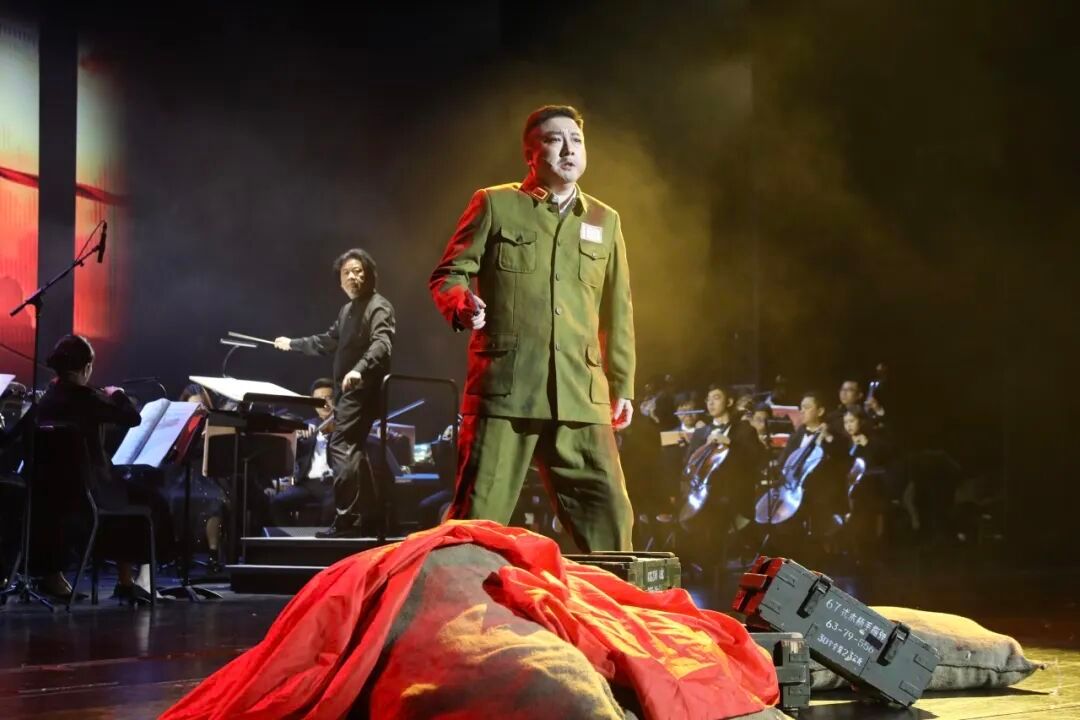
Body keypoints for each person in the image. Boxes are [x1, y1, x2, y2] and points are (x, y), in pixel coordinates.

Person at [429, 104, 636, 552]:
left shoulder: (604, 220)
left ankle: (612, 599)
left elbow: (617, 310)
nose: (568, 149)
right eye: (554, 139)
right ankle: (459, 597)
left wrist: (621, 384)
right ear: (530, 153)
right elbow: (448, 274)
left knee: (611, 520)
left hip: (580, 393)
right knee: (476, 523)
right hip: (507, 389)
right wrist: (463, 304)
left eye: (576, 140)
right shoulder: (496, 203)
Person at [35, 335, 174, 603]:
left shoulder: (50, 396)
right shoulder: (86, 397)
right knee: (152, 501)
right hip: (90, 490)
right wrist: (117, 394)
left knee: (128, 492)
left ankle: (126, 582)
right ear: (87, 367)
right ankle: (138, 580)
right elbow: (132, 418)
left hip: (59, 491)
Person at [274, 249, 395, 538]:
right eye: (346, 273)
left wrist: (360, 370)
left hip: (363, 390)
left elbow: (382, 344)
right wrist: (293, 344)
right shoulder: (346, 311)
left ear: (370, 275)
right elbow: (327, 341)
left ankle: (346, 518)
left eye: (358, 271)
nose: (352, 277)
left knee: (340, 445)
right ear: (340, 280)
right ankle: (368, 517)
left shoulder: (379, 306)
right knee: (353, 450)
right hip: (348, 393)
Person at [268, 378, 336, 526]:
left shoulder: (342, 426)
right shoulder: (307, 425)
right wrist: (297, 437)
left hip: (333, 483)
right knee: (277, 502)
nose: (325, 404)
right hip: (308, 485)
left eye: (328, 398)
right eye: (319, 400)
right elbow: (294, 454)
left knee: (330, 507)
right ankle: (292, 537)